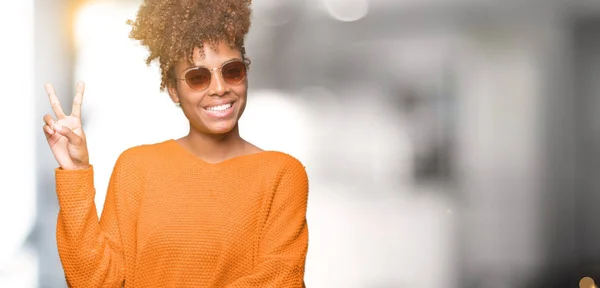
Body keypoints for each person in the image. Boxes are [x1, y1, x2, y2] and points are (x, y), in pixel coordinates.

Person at [41, 0, 310, 287]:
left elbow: (281, 279)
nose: (219, 88)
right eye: (197, 77)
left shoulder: (282, 175)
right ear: (173, 91)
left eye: (231, 71)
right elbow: (94, 281)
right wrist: (75, 173)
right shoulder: (135, 169)